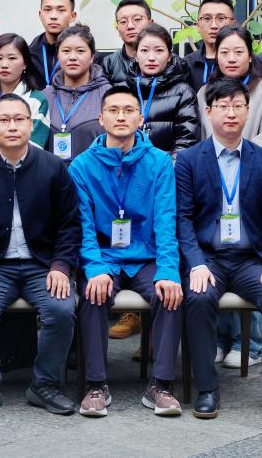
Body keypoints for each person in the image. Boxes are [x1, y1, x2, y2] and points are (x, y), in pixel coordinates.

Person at [177, 78, 262, 420]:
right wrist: (196, 263)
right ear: (208, 111)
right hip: (208, 258)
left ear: (247, 111)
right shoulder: (189, 159)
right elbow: (182, 218)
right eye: (223, 106)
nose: (230, 113)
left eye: (238, 106)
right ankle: (207, 389)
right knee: (198, 298)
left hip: (249, 259)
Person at [0, 93, 81, 417]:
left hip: (42, 265)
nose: (12, 126)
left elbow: (69, 223)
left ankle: (45, 385)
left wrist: (61, 266)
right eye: (3, 120)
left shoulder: (53, 167)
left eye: (19, 119)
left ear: (30, 123)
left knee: (61, 309)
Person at [69, 86, 184, 418]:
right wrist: (93, 268)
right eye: (114, 110)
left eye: (128, 110)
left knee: (170, 294)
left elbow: (166, 221)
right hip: (105, 256)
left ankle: (161, 385)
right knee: (93, 294)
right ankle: (95, 385)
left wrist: (168, 270)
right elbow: (83, 227)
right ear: (101, 118)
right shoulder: (81, 166)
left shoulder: (159, 162)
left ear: (141, 117)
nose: (121, 117)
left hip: (146, 256)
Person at [197, 26, 262, 154]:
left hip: (253, 164)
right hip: (210, 164)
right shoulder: (204, 93)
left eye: (238, 52)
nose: (231, 59)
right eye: (224, 52)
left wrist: (236, 159)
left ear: (250, 56)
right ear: (217, 57)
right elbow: (197, 140)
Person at [126, 23, 201, 155]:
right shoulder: (122, 90)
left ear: (169, 56)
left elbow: (186, 141)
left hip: (166, 167)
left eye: (159, 50)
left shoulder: (183, 92)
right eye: (144, 51)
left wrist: (165, 167)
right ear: (136, 55)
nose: (151, 58)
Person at [44, 24, 111, 163]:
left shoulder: (108, 95)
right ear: (58, 55)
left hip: (94, 173)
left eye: (80, 51)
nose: (72, 57)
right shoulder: (44, 96)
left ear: (92, 56)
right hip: (52, 175)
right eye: (66, 51)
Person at [0, 33, 51, 149]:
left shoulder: (37, 101)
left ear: (25, 63)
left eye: (12, 58)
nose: (4, 65)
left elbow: (34, 147)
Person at [183, 0, 236, 91]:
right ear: (198, 26)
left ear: (233, 24)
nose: (214, 25)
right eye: (207, 19)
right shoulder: (186, 64)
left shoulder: (242, 63)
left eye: (221, 18)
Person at [29, 0, 78, 85]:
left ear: (73, 16)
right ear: (40, 15)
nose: (53, 16)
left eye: (61, 10)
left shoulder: (86, 55)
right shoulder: (29, 54)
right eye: (47, 10)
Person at [101, 0, 153, 86]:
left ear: (151, 24)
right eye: (123, 21)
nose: (130, 26)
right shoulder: (108, 64)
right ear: (117, 29)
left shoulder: (168, 62)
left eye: (137, 19)